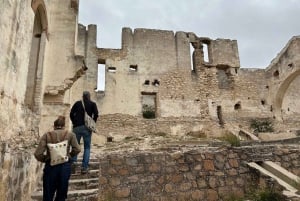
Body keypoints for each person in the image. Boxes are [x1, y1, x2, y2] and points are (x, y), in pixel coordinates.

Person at [34, 116, 81, 201]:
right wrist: (69, 156)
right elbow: (77, 149)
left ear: (54, 126)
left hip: (51, 166)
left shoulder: (47, 135)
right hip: (64, 167)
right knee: (61, 194)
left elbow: (38, 154)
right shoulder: (70, 135)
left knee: (48, 194)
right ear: (64, 126)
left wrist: (46, 159)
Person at [70, 91, 99, 174]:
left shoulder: (77, 103)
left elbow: (71, 113)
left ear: (82, 96)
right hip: (87, 128)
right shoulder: (93, 104)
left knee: (75, 146)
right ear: (89, 96)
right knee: (87, 148)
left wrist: (74, 122)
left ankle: (74, 164)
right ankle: (84, 167)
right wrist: (93, 122)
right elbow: (96, 114)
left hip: (77, 127)